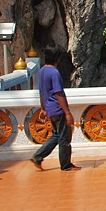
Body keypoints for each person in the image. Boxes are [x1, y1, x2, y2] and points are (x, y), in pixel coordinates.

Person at [30, 43, 81, 171]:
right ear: (58, 57)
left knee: (56, 135)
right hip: (58, 109)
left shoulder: (42, 71)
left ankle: (38, 156)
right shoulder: (54, 73)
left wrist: (43, 108)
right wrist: (67, 113)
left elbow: (41, 91)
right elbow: (59, 93)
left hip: (50, 109)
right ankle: (66, 165)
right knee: (64, 138)